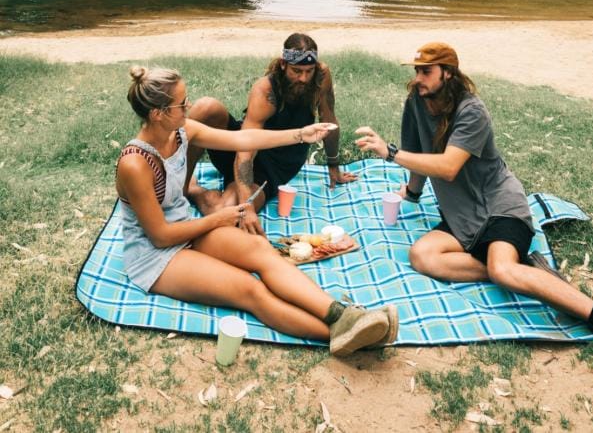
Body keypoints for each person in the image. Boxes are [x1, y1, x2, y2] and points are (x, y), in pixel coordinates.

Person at [355, 42, 593, 371]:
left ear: (448, 74)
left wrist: (390, 152)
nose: (418, 78)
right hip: (461, 214)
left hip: (500, 205)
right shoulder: (416, 100)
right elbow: (420, 154)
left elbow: (447, 166)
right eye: (416, 71)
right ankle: (527, 271)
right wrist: (412, 194)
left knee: (502, 269)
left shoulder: (472, 111)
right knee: (421, 256)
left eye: (426, 71)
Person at [117, 65, 396, 356]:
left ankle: (344, 315)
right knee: (249, 290)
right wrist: (217, 220)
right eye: (181, 103)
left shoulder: (181, 130)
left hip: (186, 229)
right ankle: (352, 336)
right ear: (157, 113)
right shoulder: (135, 164)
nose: (188, 108)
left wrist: (301, 134)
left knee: (260, 251)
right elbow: (160, 236)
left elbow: (243, 139)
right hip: (154, 255)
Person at [186, 33, 357, 236]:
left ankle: (194, 190)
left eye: (308, 71)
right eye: (297, 71)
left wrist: (333, 165)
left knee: (226, 214)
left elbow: (328, 120)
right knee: (206, 107)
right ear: (284, 64)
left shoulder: (320, 76)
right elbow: (245, 150)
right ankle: (182, 183)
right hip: (244, 148)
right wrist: (248, 203)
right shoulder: (265, 90)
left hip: (275, 166)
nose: (303, 78)